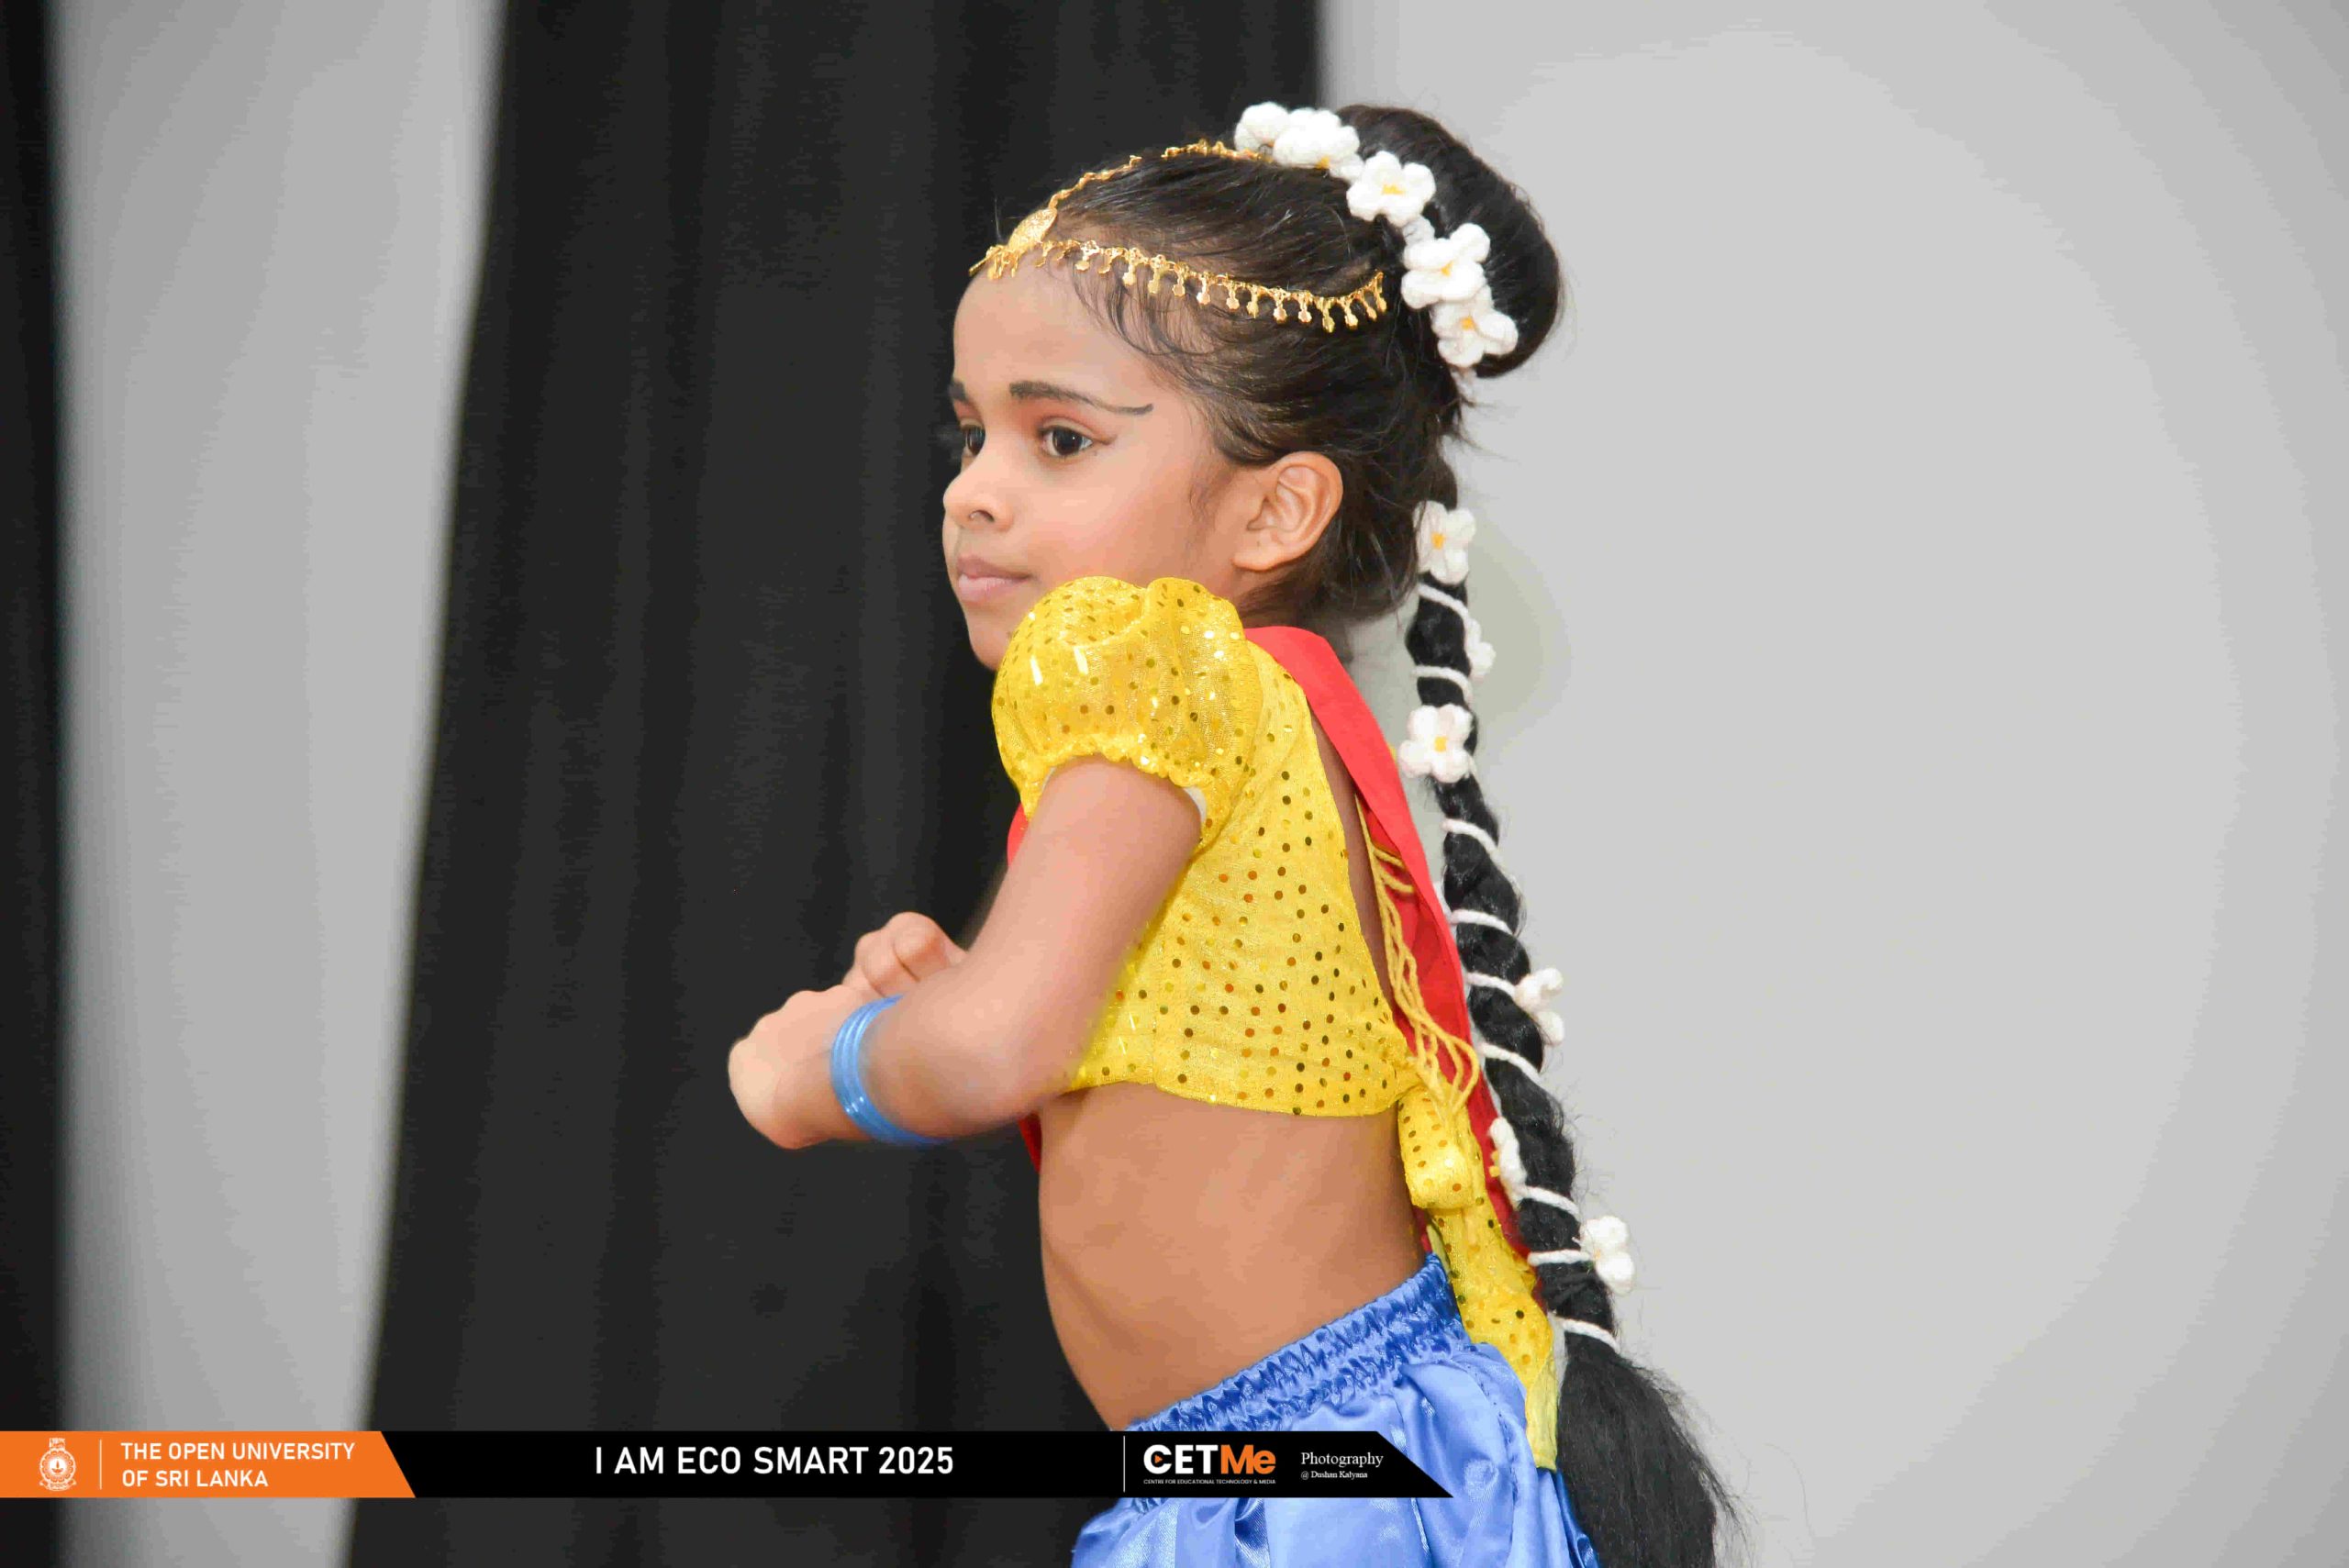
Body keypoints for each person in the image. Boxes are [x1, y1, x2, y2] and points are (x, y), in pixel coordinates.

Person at [728, 101, 1732, 1567]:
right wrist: (965, 993)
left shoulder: (1157, 667)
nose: (973, 489)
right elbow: (1130, 1042)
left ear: (1276, 513)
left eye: (1059, 438)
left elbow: (994, 1053)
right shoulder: (1271, 708)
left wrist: (817, 1066)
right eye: (971, 431)